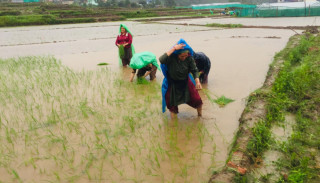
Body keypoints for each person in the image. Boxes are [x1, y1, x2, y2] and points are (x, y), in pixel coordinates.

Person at [159, 40, 203, 119]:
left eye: (186, 55)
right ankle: (174, 125)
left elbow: (194, 70)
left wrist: (197, 82)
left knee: (197, 100)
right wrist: (174, 48)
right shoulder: (171, 58)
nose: (184, 57)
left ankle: (200, 117)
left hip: (186, 82)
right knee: (172, 106)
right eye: (182, 56)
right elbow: (161, 59)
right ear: (177, 54)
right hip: (172, 84)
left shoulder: (189, 58)